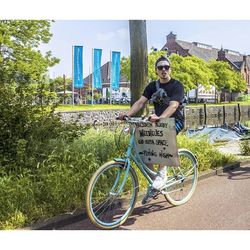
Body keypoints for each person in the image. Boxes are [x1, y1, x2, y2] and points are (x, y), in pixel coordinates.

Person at [118, 55, 185, 204]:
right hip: (156, 119)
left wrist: (160, 118)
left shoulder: (177, 86)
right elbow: (141, 102)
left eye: (166, 67)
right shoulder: (152, 86)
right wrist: (127, 115)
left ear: (170, 69)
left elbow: (173, 105)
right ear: (156, 70)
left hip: (175, 121)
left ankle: (162, 173)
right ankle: (155, 182)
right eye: (160, 67)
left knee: (162, 135)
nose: (163, 70)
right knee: (144, 144)